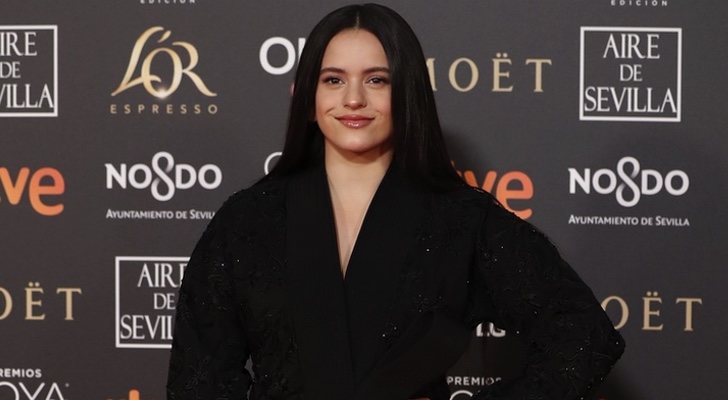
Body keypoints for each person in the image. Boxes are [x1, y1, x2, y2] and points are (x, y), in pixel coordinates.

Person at [166, 3, 625, 400]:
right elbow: (197, 379)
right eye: (333, 79)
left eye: (377, 80)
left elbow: (584, 335)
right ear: (308, 96)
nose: (353, 99)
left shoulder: (460, 218)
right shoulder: (247, 220)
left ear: (407, 93)